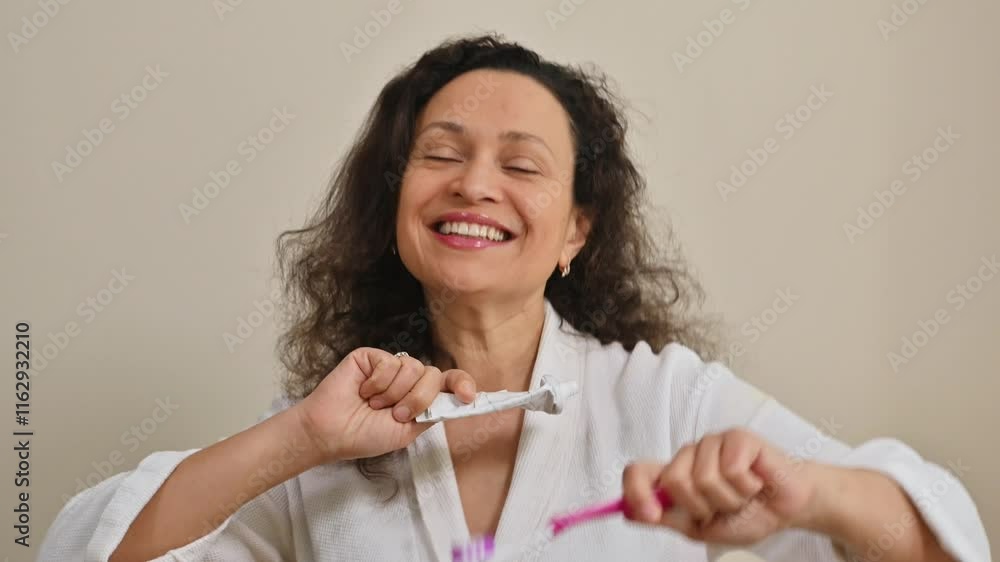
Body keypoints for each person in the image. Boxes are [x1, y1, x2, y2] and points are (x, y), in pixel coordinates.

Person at [39, 33, 989, 562]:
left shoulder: (666, 403)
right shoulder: (330, 432)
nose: (473, 185)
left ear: (578, 230)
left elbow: (939, 545)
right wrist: (300, 442)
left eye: (520, 165)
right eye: (441, 155)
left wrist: (810, 492)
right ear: (395, 206)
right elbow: (89, 554)